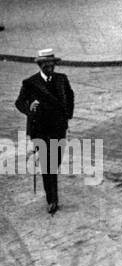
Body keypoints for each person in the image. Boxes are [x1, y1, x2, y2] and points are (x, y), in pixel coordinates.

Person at [14, 48, 75, 215]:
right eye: (47, 65)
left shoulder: (62, 79)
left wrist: (67, 116)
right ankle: (52, 200)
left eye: (52, 64)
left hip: (58, 129)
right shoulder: (30, 83)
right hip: (41, 130)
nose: (51, 68)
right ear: (40, 65)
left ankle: (52, 194)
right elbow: (19, 103)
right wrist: (29, 108)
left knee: (55, 163)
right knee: (48, 165)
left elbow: (70, 96)